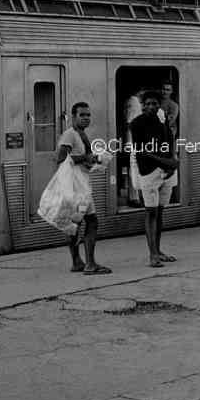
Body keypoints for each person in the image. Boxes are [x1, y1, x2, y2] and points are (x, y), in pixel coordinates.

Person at [57, 102, 111, 275]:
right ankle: (90, 264)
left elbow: (78, 159)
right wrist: (87, 157)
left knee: (75, 224)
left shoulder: (81, 134)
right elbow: (60, 158)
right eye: (82, 115)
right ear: (73, 117)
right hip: (76, 188)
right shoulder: (69, 135)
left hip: (80, 185)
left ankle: (77, 262)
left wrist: (93, 161)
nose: (86, 118)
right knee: (91, 222)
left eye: (88, 115)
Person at [130, 90, 179, 266]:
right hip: (149, 172)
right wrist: (168, 163)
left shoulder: (162, 122)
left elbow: (168, 143)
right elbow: (142, 151)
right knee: (151, 213)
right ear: (142, 105)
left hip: (165, 172)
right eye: (147, 103)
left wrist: (172, 162)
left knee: (160, 213)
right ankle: (152, 256)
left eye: (154, 104)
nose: (151, 106)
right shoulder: (136, 124)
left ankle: (158, 251)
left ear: (159, 105)